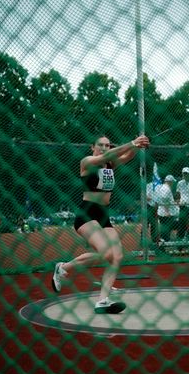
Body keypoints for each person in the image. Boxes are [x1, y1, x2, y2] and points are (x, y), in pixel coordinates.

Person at [51, 134, 150, 314]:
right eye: (101, 145)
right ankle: (63, 268)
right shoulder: (87, 162)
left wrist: (139, 145)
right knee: (105, 253)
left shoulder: (110, 164)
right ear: (93, 147)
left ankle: (102, 301)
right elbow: (106, 156)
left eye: (107, 145)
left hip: (103, 214)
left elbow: (126, 156)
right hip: (87, 213)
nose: (104, 148)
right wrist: (132, 142)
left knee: (117, 256)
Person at [154, 175, 179, 243]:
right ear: (170, 182)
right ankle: (165, 242)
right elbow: (165, 199)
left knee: (166, 228)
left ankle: (164, 241)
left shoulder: (162, 187)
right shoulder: (166, 189)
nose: (173, 183)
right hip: (166, 212)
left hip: (163, 212)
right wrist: (167, 211)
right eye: (172, 182)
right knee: (168, 228)